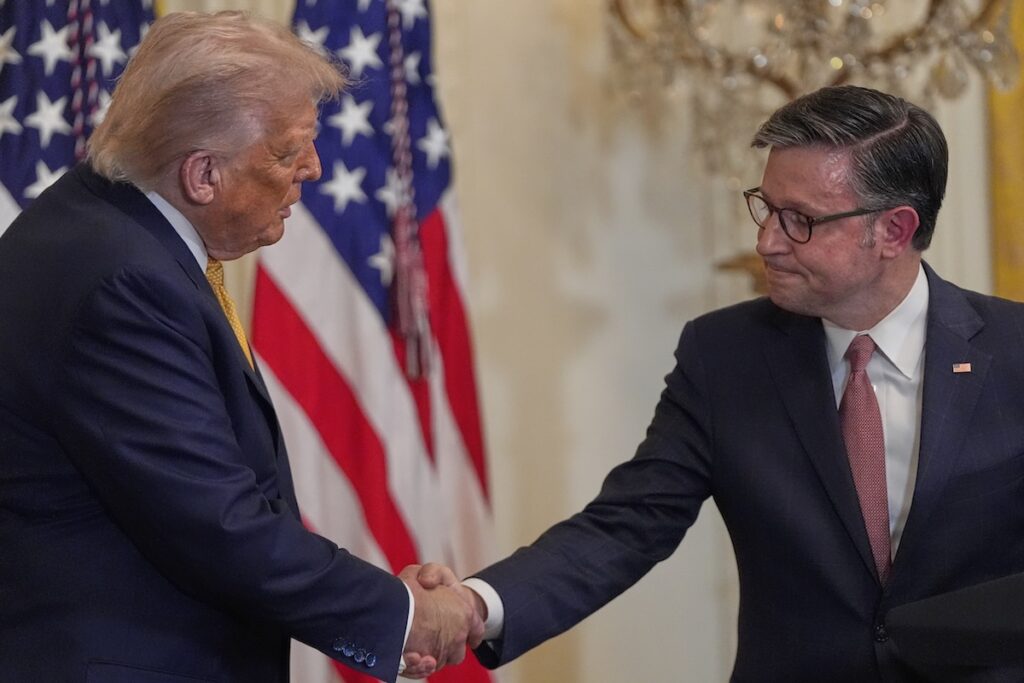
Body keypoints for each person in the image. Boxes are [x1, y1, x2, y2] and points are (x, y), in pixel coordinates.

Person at [422, 85, 1024, 682]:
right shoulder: (725, 356)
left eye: (800, 222)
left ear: (894, 230)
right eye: (765, 207)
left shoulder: (1014, 350)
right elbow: (627, 524)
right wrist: (475, 604)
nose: (766, 242)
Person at [0, 11, 479, 683]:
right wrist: (404, 612)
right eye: (287, 152)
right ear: (202, 176)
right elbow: (218, 525)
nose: (312, 169)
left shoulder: (104, 229)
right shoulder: (121, 280)